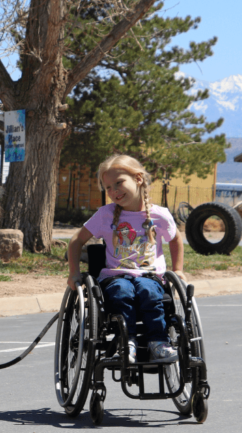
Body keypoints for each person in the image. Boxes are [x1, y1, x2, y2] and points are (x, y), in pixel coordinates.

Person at [66, 154, 185, 365]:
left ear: (138, 179)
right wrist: (73, 272)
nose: (113, 191)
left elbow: (176, 239)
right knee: (122, 291)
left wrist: (178, 269)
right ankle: (126, 343)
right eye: (108, 188)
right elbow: (76, 240)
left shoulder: (159, 215)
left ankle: (158, 342)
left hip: (150, 276)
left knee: (148, 290)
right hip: (116, 277)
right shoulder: (105, 214)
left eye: (118, 183)